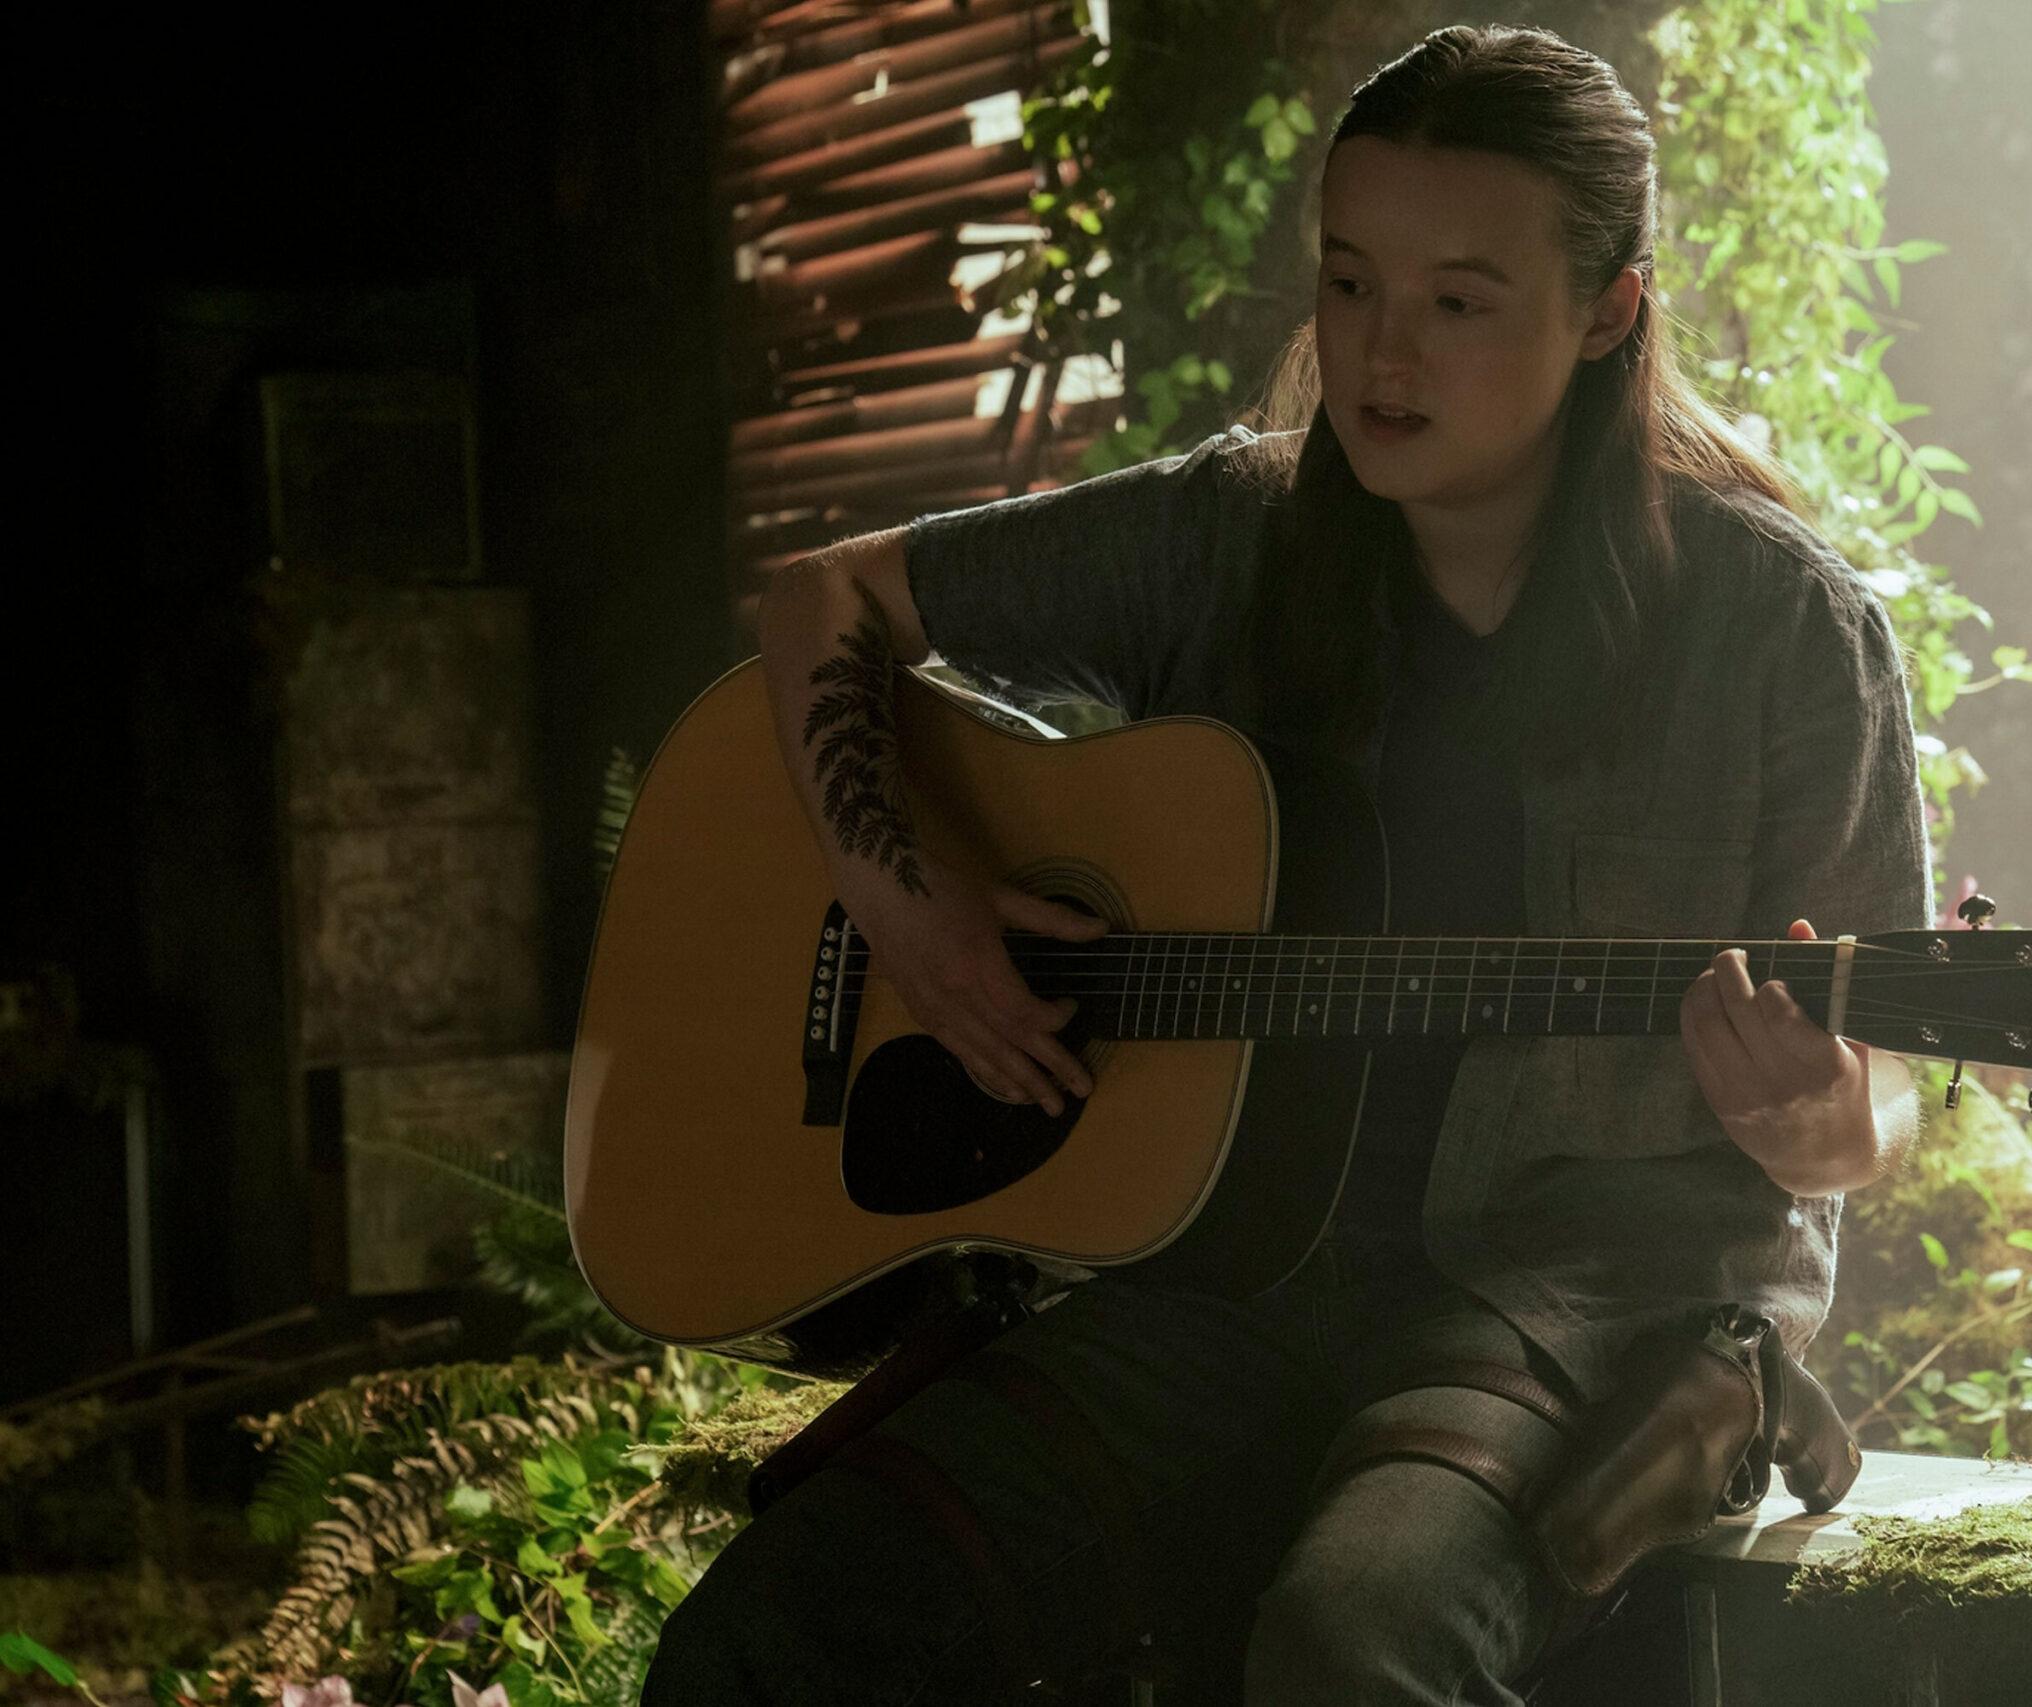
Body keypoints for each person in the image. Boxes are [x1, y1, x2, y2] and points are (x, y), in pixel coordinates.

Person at [646, 22, 1930, 1705]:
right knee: (764, 1637)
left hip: (1573, 1309)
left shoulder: (1781, 629)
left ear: (1610, 311)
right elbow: (826, 598)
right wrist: (913, 901)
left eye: (1458, 302)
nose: (1380, 352)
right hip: (1222, 1289)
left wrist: (1814, 1121)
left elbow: (1881, 1084)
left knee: (1353, 1641)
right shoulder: (1222, 537)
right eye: (1348, 282)